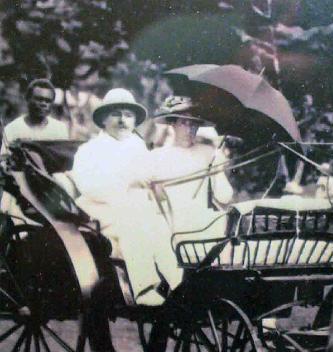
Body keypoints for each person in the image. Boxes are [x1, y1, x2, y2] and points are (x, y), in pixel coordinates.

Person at [70, 88, 181, 306]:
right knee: (134, 221)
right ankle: (143, 288)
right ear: (103, 119)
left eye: (128, 115)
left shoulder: (138, 146)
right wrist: (126, 184)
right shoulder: (89, 150)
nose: (123, 120)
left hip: (136, 208)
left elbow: (151, 177)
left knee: (161, 227)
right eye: (116, 114)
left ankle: (178, 284)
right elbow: (87, 186)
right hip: (98, 212)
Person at [147, 96, 234, 233]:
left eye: (193, 124)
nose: (189, 129)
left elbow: (225, 197)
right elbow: (154, 203)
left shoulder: (208, 153)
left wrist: (218, 170)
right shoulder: (157, 157)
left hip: (202, 228)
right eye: (183, 123)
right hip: (170, 228)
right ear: (173, 123)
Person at [1, 78, 70, 222]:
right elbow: (3, 160)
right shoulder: (13, 129)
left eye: (48, 101)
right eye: (39, 99)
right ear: (27, 99)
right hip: (20, 188)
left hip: (50, 187)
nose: (43, 104)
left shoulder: (59, 129)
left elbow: (64, 162)